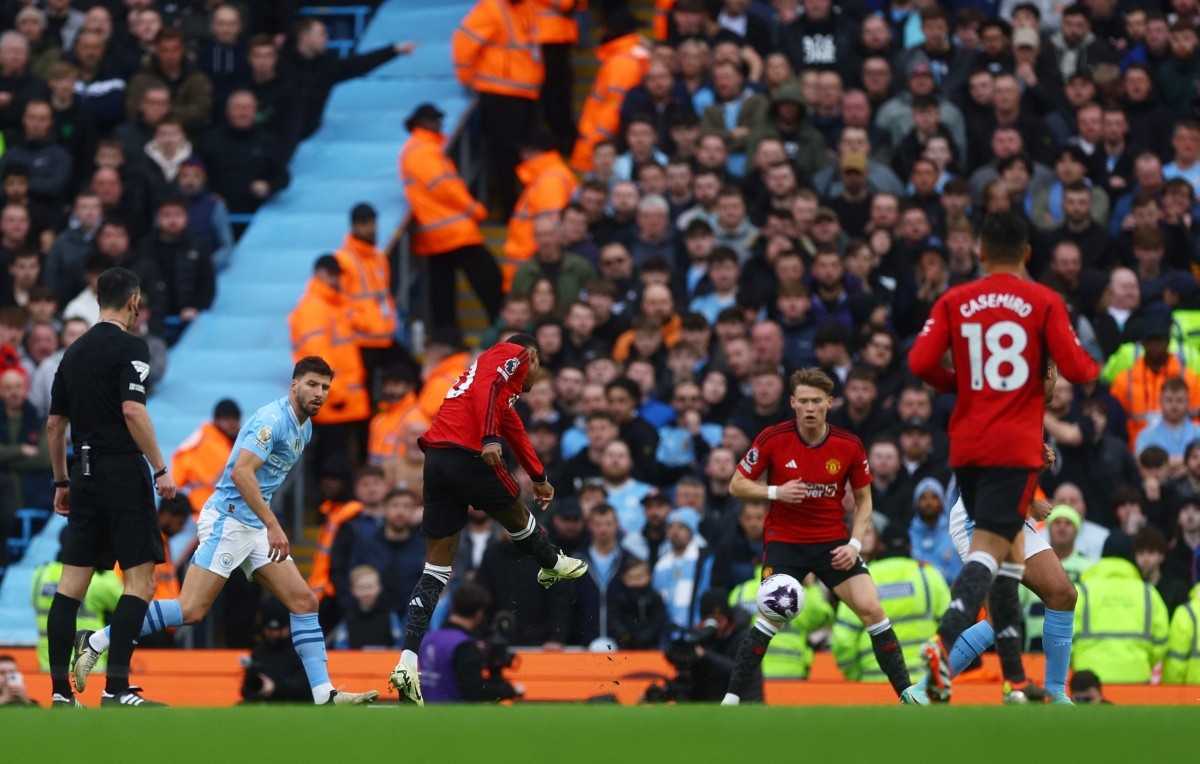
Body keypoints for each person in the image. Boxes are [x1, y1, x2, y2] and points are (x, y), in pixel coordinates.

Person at [70, 357, 378, 706]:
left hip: (253, 526)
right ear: (294, 385)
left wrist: (265, 524)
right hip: (228, 521)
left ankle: (326, 695)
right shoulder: (270, 422)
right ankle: (96, 641)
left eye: (325, 387)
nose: (319, 393)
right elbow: (241, 474)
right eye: (312, 384)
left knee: (305, 601)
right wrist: (274, 524)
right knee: (191, 610)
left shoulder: (304, 428)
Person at [908, 211, 1100, 703]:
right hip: (997, 472)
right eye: (1048, 369)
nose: (1052, 376)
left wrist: (966, 385)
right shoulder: (1040, 304)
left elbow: (920, 361)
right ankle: (944, 643)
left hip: (973, 455)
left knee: (1042, 591)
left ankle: (1019, 690)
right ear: (1028, 253)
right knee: (999, 569)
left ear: (979, 252)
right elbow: (1081, 367)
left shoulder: (956, 300)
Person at [386, 334, 588, 705]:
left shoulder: (496, 395)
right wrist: (489, 439)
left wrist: (539, 476)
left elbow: (513, 425)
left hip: (438, 459)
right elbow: (489, 385)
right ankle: (551, 562)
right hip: (469, 452)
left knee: (435, 571)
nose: (534, 376)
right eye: (537, 367)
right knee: (514, 510)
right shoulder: (512, 354)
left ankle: (406, 660)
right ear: (534, 355)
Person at [722, 367, 920, 706]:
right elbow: (736, 485)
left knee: (872, 608)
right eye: (803, 401)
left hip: (832, 544)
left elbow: (864, 500)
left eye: (816, 401)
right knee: (771, 615)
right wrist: (775, 492)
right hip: (785, 544)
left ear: (829, 402)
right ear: (793, 403)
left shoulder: (849, 446)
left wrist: (854, 544)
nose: (810, 408)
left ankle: (906, 694)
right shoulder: (773, 438)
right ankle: (731, 699)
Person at [44, 266, 177, 708]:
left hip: (80, 473)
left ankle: (61, 693)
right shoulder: (131, 346)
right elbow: (133, 412)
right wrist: (159, 469)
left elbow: (53, 425)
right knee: (141, 583)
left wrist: (61, 480)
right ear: (134, 301)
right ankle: (116, 688)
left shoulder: (73, 353)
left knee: (70, 587)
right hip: (121, 470)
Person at [398, 103, 501, 332]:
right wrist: (473, 208)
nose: (440, 124)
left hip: (437, 233)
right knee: (488, 278)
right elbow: (444, 186)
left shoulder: (417, 149)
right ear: (423, 123)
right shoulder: (424, 151)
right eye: (435, 119)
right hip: (453, 230)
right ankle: (503, 325)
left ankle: (448, 337)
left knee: (442, 290)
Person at [420, 582, 523, 703]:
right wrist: (509, 690)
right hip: (453, 716)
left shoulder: (428, 638)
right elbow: (474, 690)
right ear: (479, 613)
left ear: (453, 606)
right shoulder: (463, 645)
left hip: (425, 714)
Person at [171, 398, 240, 519]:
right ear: (217, 420)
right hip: (202, 510)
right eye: (227, 419)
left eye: (236, 418)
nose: (233, 424)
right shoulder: (211, 442)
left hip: (207, 509)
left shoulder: (210, 437)